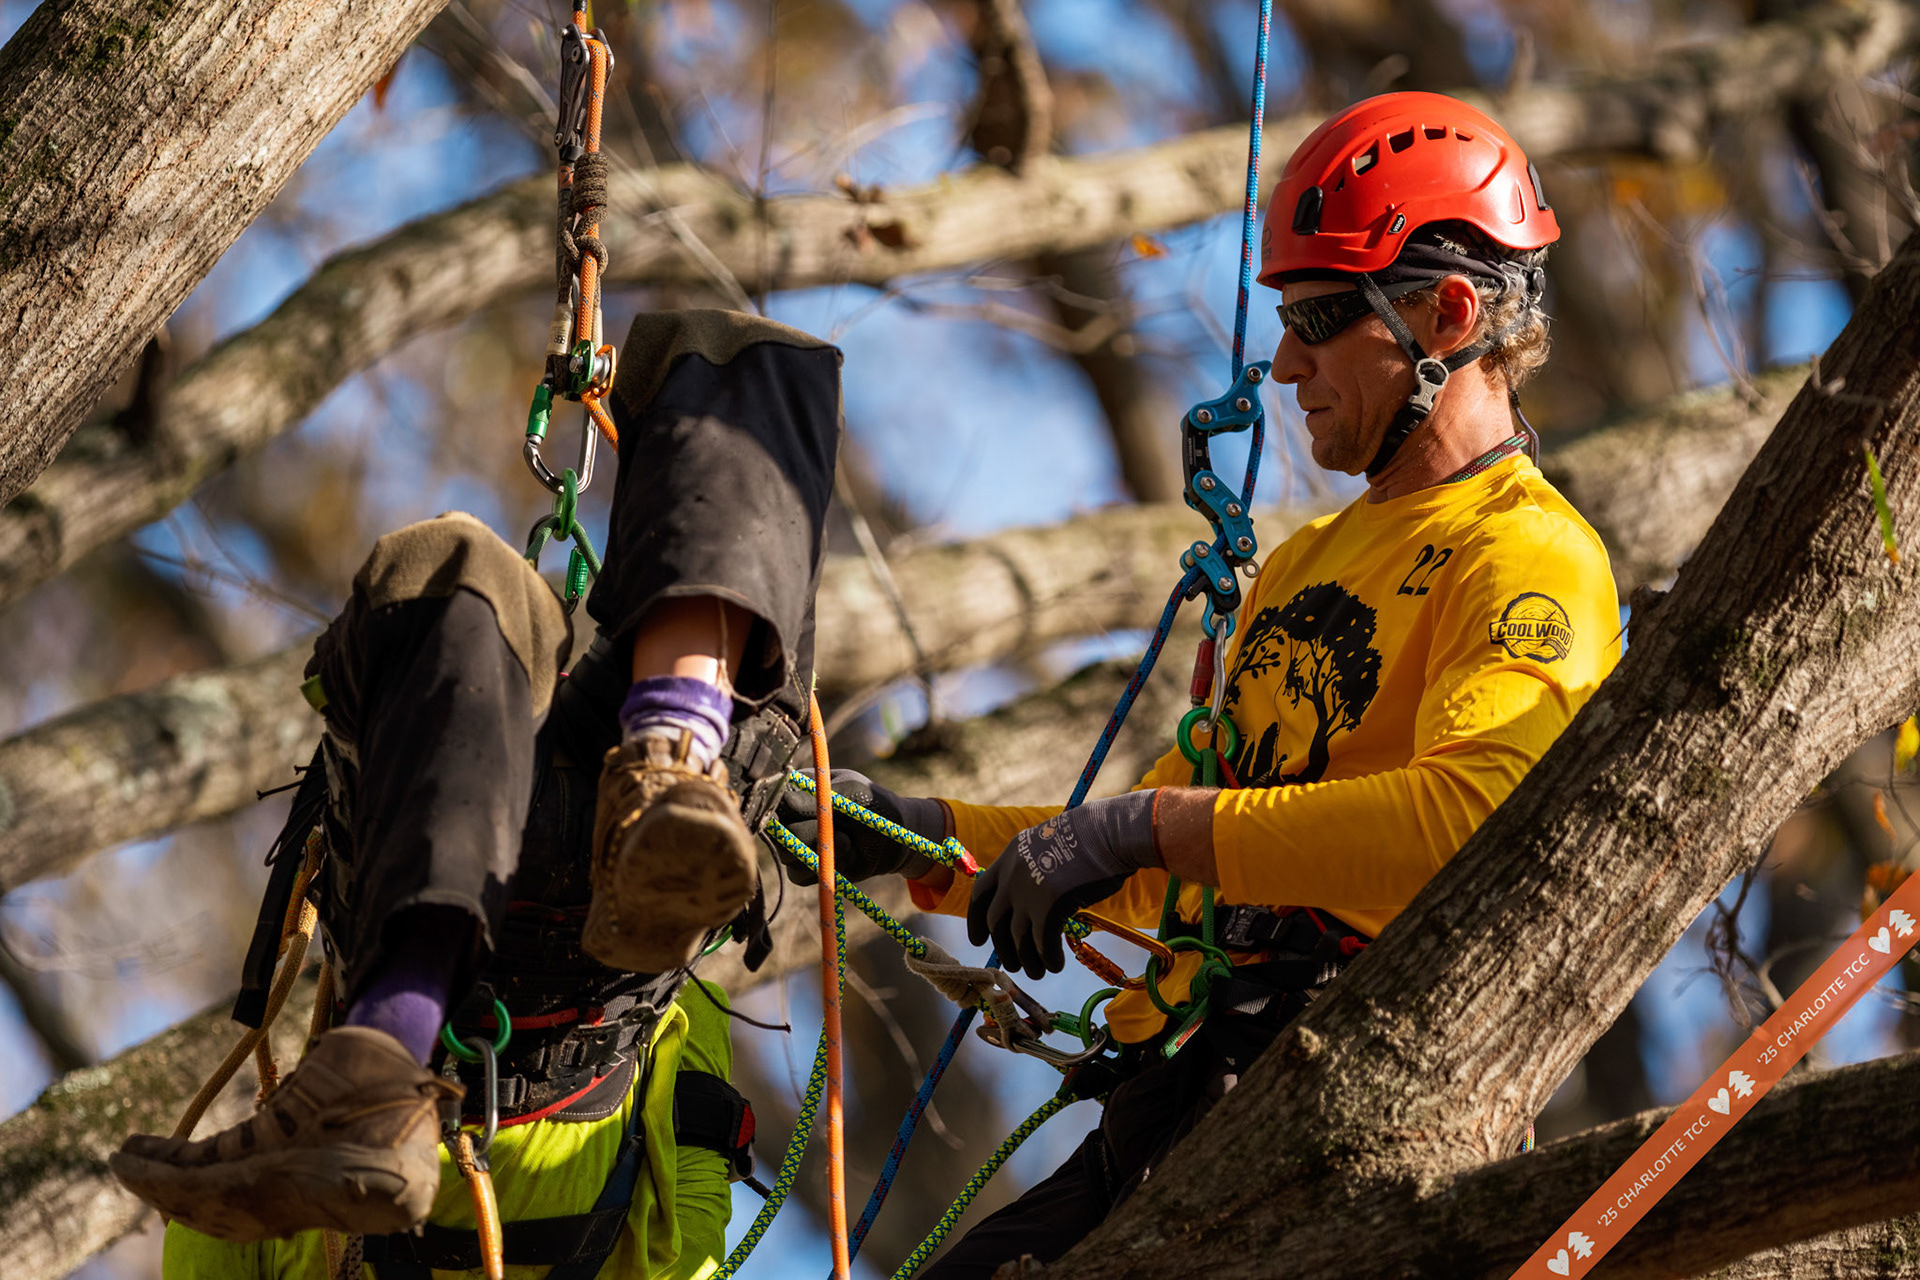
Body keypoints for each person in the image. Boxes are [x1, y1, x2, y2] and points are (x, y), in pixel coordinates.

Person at [775, 91, 1623, 1277]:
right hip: (1183, 1091)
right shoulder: (1310, 562)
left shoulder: (1527, 553)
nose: (1285, 364)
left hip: (1328, 1092)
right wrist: (914, 836)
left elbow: (1468, 825)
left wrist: (1144, 829)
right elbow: (1164, 858)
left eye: (1321, 319)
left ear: (1447, 313)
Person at [109, 310, 844, 1278]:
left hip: (552, 949)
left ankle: (386, 1044)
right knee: (461, 582)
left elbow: (688, 1212)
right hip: (585, 955)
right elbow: (689, 1212)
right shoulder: (259, 1233)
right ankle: (670, 750)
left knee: (464, 579)